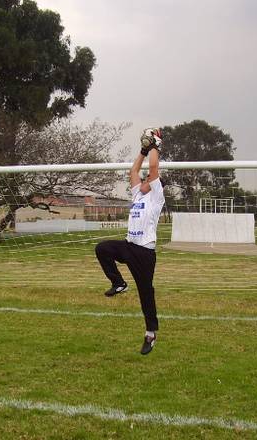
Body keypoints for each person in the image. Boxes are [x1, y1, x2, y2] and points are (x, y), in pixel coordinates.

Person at [95, 127, 165, 355]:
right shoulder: (137, 195)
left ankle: (151, 334)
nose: (144, 180)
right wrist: (143, 150)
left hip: (144, 252)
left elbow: (153, 169)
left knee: (146, 292)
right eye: (144, 180)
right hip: (128, 246)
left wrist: (155, 146)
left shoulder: (156, 197)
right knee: (102, 249)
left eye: (149, 180)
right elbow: (134, 169)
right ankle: (119, 283)